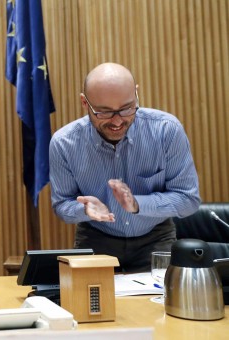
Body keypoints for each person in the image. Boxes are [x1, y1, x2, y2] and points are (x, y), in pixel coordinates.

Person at [49, 62, 201, 272]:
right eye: (104, 112)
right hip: (95, 240)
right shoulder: (64, 143)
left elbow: (188, 199)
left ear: (136, 94)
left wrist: (139, 204)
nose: (117, 121)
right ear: (85, 103)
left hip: (156, 239)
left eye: (127, 108)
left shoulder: (166, 131)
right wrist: (83, 210)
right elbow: (61, 205)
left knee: (157, 304)